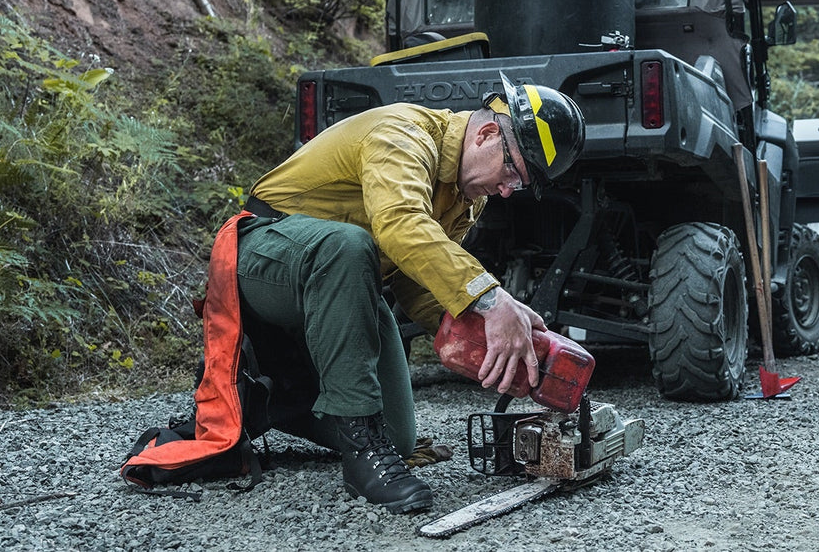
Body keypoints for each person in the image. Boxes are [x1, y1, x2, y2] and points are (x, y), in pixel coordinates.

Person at [235, 74, 586, 513]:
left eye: (521, 184)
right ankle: (361, 453)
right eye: (513, 169)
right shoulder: (403, 134)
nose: (506, 189)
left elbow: (418, 285)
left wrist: (494, 344)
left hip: (342, 284)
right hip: (260, 256)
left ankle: (272, 400)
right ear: (487, 133)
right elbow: (400, 225)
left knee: (399, 437)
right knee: (348, 244)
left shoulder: (468, 198)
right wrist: (493, 300)